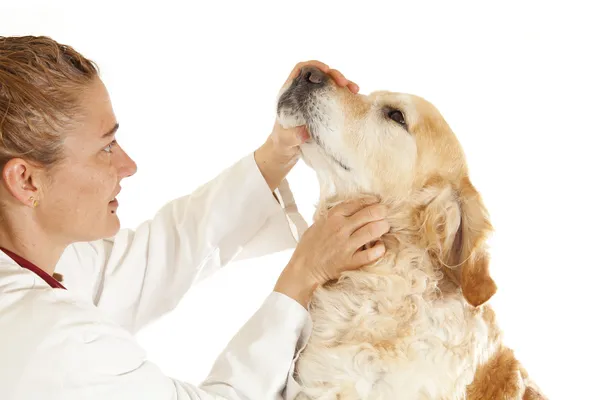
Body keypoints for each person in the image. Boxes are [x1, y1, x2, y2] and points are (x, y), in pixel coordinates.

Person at [0, 35, 390, 400]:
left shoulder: (36, 264)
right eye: (106, 147)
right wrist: (303, 275)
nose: (129, 165)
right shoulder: (46, 337)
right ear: (26, 180)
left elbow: (148, 261)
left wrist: (278, 150)